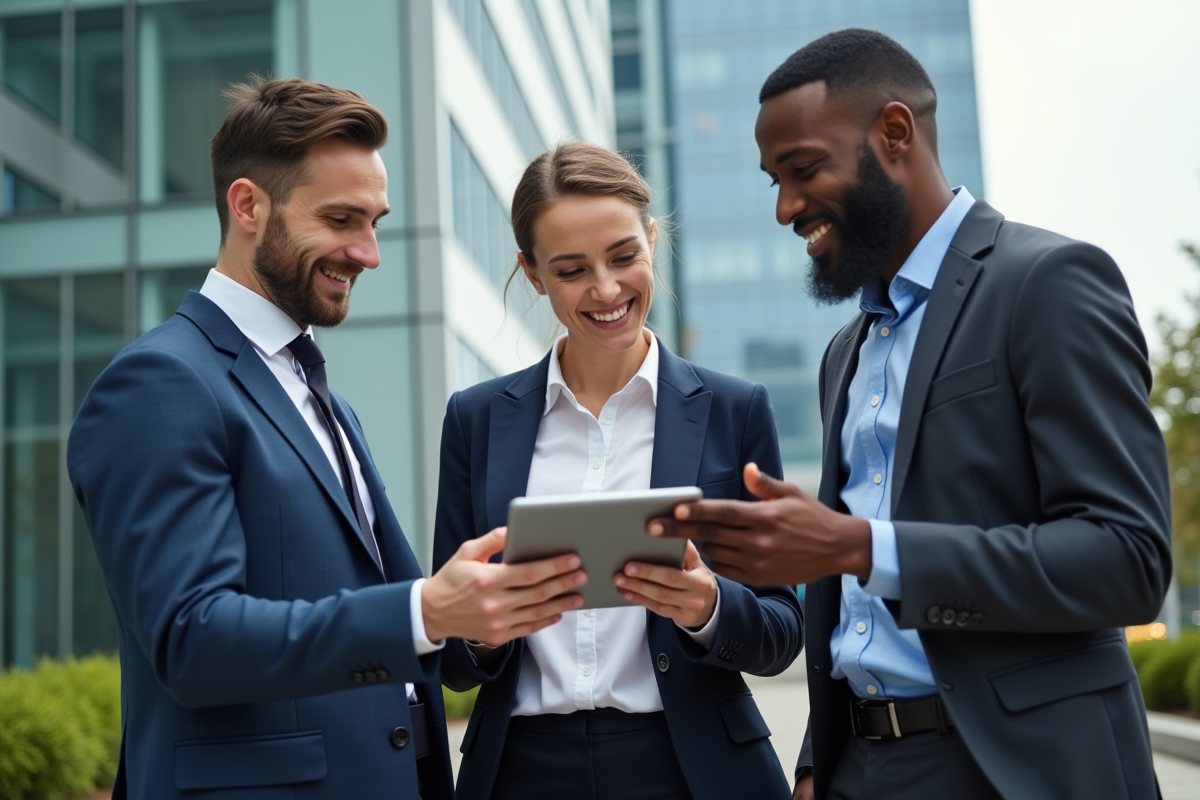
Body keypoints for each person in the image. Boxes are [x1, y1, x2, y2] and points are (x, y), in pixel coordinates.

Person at [648, 29, 1171, 800]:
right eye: (773, 182)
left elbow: (1128, 560)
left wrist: (859, 546)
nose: (787, 207)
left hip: (1016, 769)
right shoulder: (845, 352)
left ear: (894, 133)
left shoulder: (1049, 284)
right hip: (862, 766)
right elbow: (854, 618)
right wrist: (816, 756)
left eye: (802, 170)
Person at [68, 77, 588, 800]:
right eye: (343, 220)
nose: (369, 253)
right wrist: (423, 610)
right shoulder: (159, 383)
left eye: (374, 221)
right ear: (247, 205)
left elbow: (360, 607)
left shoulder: (328, 402)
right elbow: (191, 637)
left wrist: (472, 619)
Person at [433, 142, 803, 800]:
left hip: (690, 767)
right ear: (533, 272)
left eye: (624, 256)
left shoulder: (735, 410)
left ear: (652, 240)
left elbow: (781, 631)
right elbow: (454, 658)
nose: (606, 289)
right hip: (522, 771)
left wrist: (708, 608)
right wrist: (486, 629)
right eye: (571, 269)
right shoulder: (476, 418)